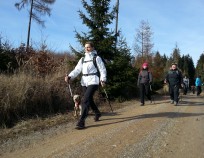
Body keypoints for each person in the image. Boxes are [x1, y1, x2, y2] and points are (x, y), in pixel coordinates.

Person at [65, 41, 107, 129]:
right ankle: (97, 113)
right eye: (85, 47)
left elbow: (102, 69)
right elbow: (77, 70)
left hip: (94, 81)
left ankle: (81, 121)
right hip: (84, 82)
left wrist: (103, 79)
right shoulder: (82, 59)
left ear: (92, 48)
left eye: (88, 47)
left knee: (85, 100)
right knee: (89, 100)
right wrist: (70, 76)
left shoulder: (97, 58)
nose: (86, 49)